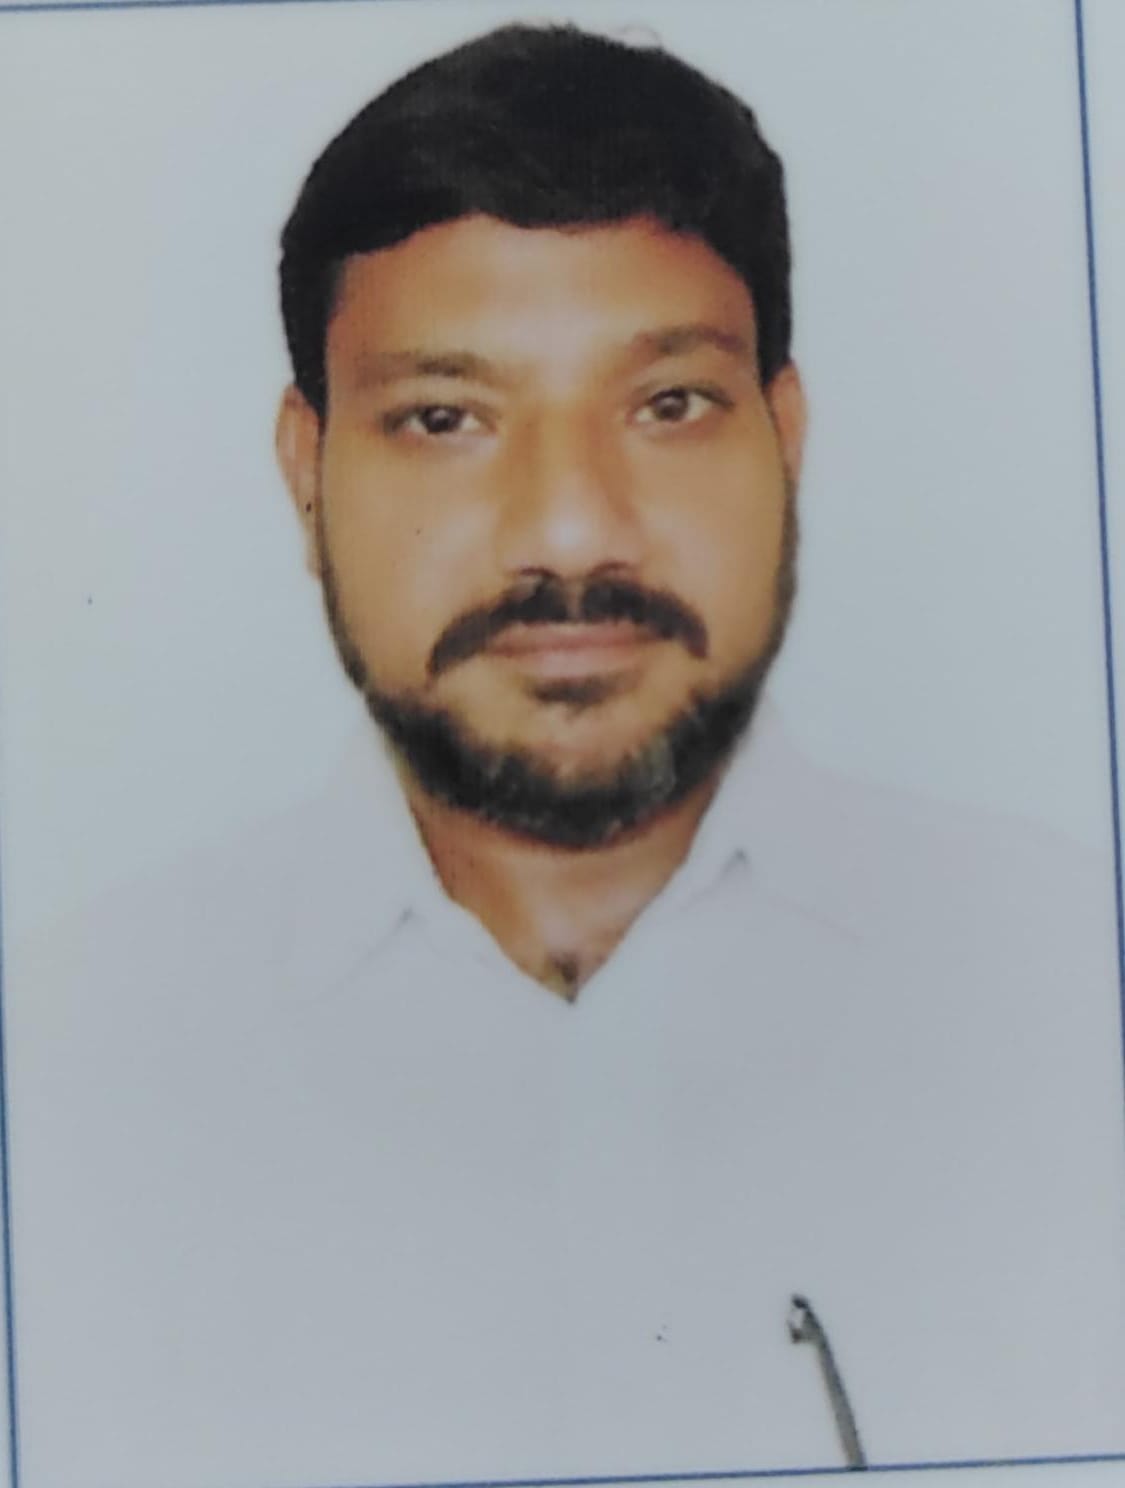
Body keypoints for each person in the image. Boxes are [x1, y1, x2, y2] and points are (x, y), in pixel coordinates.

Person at [8, 21, 1125, 1488]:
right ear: (307, 472)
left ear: (784, 437)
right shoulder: (62, 1069)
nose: (570, 529)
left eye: (668, 405)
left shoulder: (1069, 986)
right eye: (445, 418)